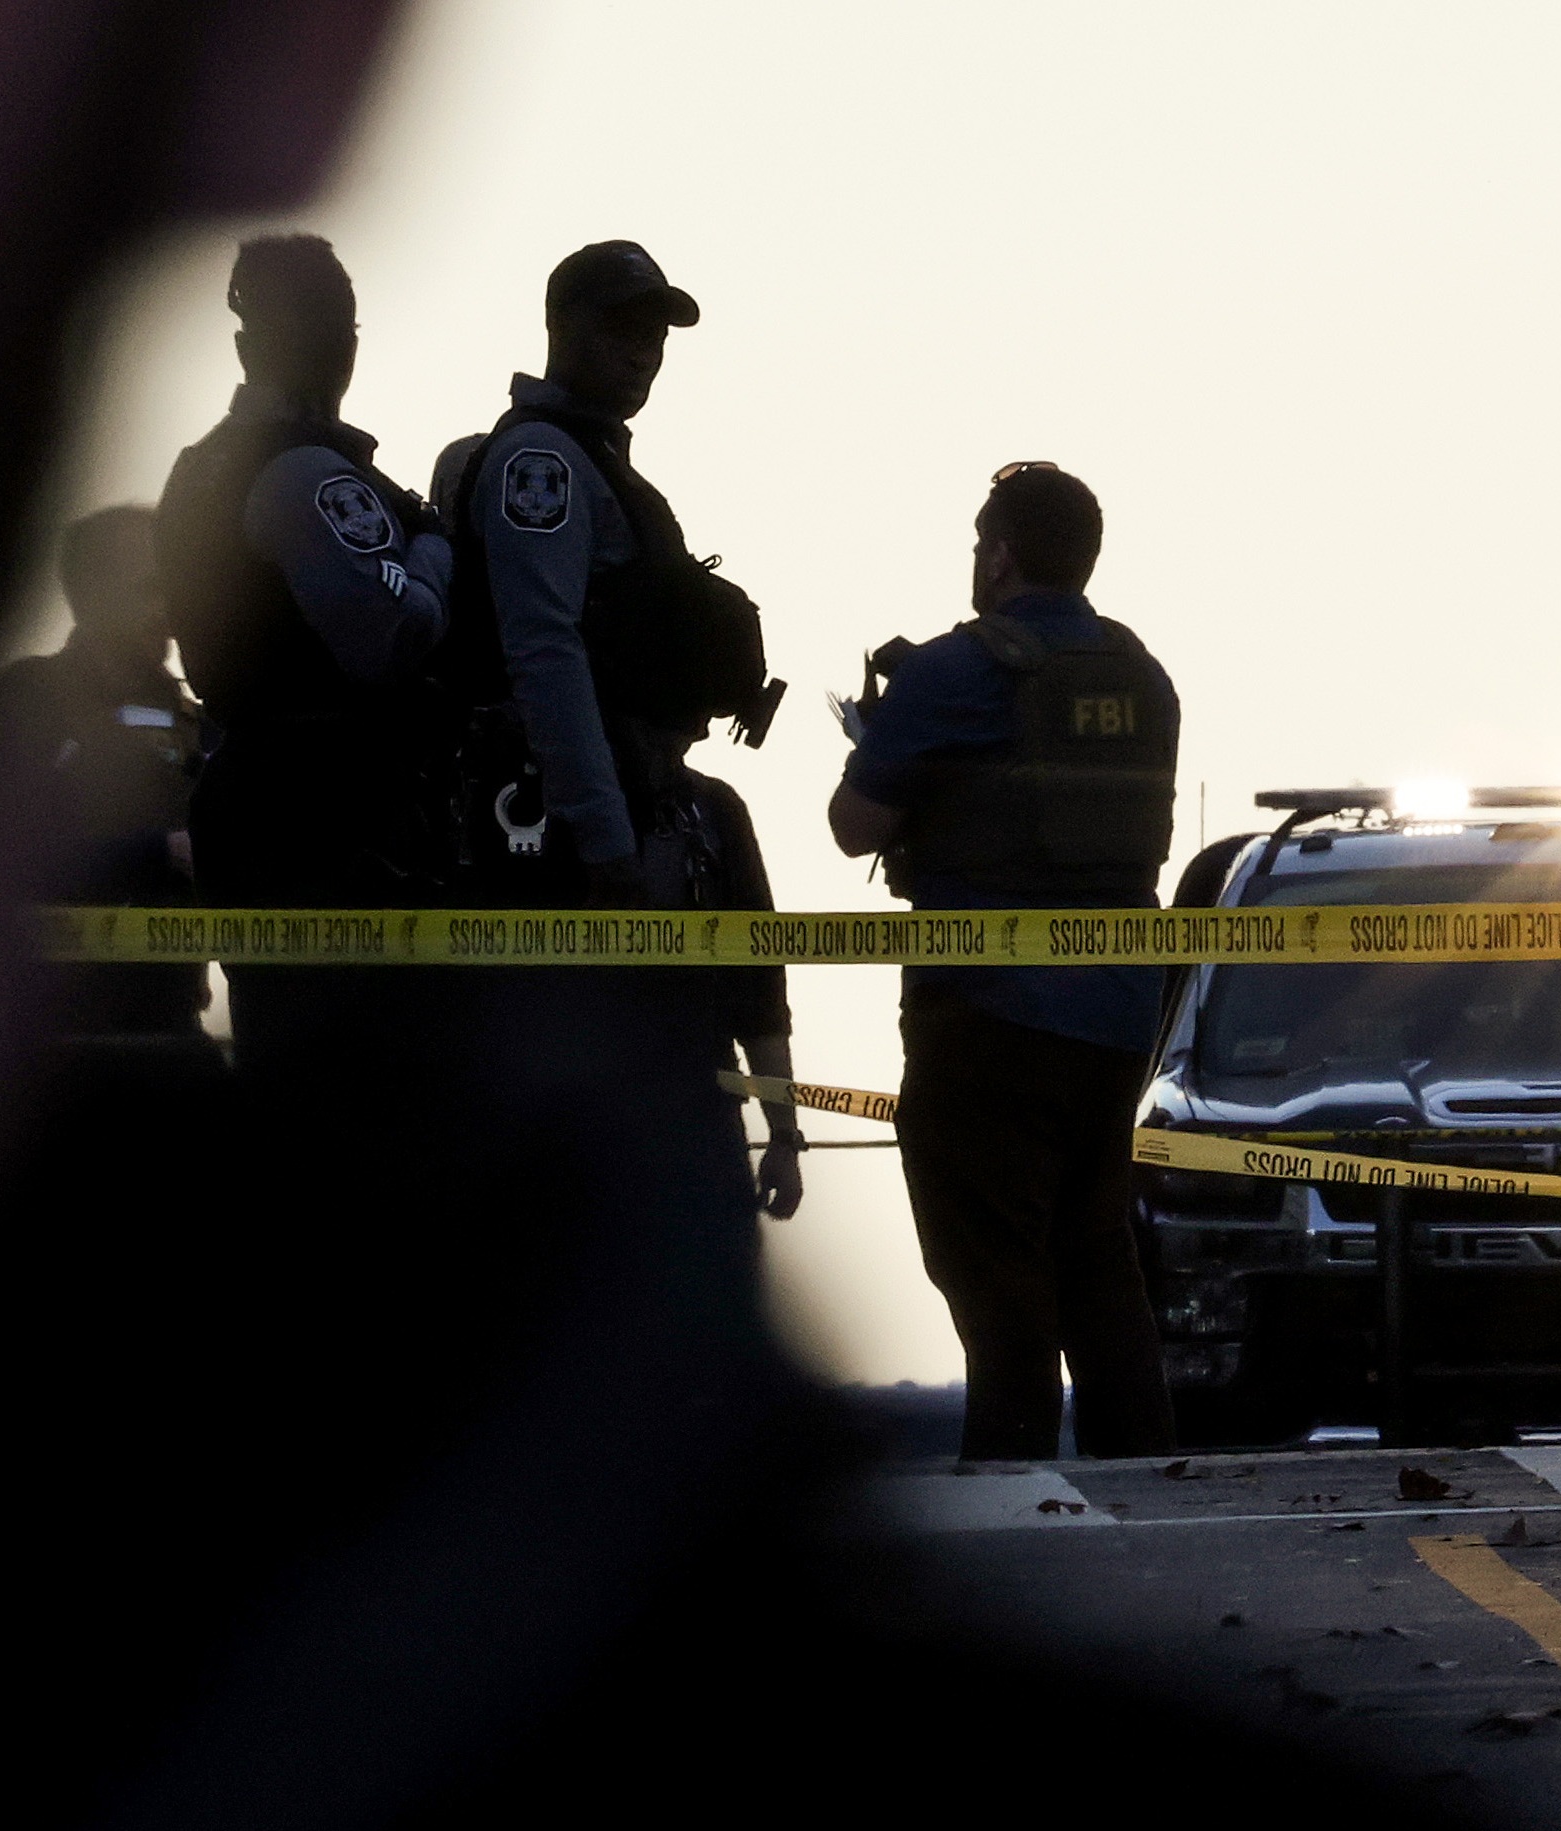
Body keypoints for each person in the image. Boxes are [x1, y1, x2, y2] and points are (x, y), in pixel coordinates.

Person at [829, 464, 1179, 1463]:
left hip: (987, 1016)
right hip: (1117, 1018)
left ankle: (1011, 1481)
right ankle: (1145, 1479)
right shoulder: (1142, 673)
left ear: (1001, 552)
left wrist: (886, 743)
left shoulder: (956, 670)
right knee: (1096, 1257)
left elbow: (854, 825)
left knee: (992, 1265)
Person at [154, 235, 455, 1073]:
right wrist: (431, 548)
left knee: (288, 1077)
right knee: (365, 1090)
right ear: (348, 346)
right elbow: (393, 635)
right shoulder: (305, 474)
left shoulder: (198, 469)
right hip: (331, 816)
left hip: (256, 806)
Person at [434, 240, 770, 907]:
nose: (643, 350)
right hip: (554, 830)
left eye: (654, 334)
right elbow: (543, 650)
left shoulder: (592, 458)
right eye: (621, 326)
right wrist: (604, 838)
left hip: (615, 796)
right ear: (562, 327)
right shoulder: (541, 460)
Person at [0, 505, 212, 1050]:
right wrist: (159, 852)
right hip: (42, 1045)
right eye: (148, 589)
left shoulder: (194, 722)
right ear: (92, 595)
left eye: (174, 588)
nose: (168, 609)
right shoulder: (28, 700)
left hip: (169, 1031)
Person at [626, 706, 806, 1219]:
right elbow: (760, 997)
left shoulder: (712, 811)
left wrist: (785, 1137)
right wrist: (783, 1138)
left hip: (687, 1109)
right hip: (686, 1111)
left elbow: (759, 991)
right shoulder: (710, 811)